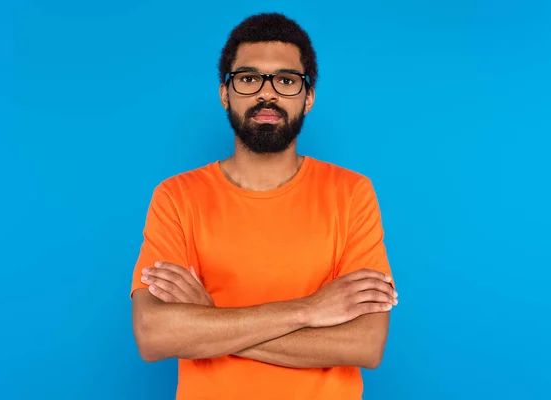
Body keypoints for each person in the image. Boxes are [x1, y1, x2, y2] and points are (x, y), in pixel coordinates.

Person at [130, 12, 398, 400]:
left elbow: (365, 345)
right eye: (249, 78)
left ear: (308, 98)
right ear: (226, 93)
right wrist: (309, 310)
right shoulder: (177, 196)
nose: (266, 94)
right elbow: (154, 335)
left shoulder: (352, 193)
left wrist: (210, 322)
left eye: (286, 80)